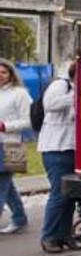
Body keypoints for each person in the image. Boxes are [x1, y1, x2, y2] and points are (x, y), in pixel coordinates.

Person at [38, 60, 80, 253]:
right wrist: (77, 94)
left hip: (72, 148)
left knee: (70, 195)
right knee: (59, 194)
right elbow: (50, 104)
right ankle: (49, 236)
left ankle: (65, 235)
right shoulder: (61, 85)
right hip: (56, 147)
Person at [0, 58, 32, 235]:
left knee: (1, 185)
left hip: (11, 145)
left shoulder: (20, 93)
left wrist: (5, 126)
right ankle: (20, 217)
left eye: (4, 72)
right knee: (7, 186)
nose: (0, 76)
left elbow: (29, 121)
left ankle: (19, 219)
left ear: (11, 74)